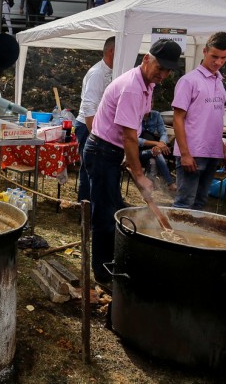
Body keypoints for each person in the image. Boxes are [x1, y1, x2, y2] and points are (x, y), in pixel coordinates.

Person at [83, 39, 180, 284]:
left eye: (168, 70)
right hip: (102, 150)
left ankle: (110, 259)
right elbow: (128, 136)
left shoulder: (147, 84)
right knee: (104, 215)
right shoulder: (132, 87)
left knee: (115, 207)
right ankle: (102, 272)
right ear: (146, 59)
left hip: (111, 150)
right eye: (160, 67)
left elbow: (132, 130)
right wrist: (139, 174)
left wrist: (128, 159)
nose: (163, 74)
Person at [172, 32, 226, 210]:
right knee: (184, 203)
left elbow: (215, 119)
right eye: (214, 56)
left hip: (212, 152)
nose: (219, 62)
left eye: (224, 58)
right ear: (204, 51)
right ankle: (174, 238)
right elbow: (178, 118)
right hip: (192, 152)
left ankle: (191, 237)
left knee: (200, 203)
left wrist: (222, 149)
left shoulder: (219, 82)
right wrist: (184, 154)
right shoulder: (189, 81)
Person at [74, 36, 115, 201]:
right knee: (88, 167)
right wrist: (94, 135)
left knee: (98, 168)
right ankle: (85, 205)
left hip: (101, 126)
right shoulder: (97, 73)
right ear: (112, 51)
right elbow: (88, 106)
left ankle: (96, 202)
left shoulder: (112, 72)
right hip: (87, 126)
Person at [139, 109, 177, 192]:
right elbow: (135, 140)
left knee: (154, 157)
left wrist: (160, 145)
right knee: (156, 154)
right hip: (137, 152)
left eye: (151, 102)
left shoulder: (156, 115)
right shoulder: (136, 115)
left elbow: (163, 132)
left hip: (152, 150)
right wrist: (157, 143)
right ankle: (169, 182)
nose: (149, 104)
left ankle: (148, 191)